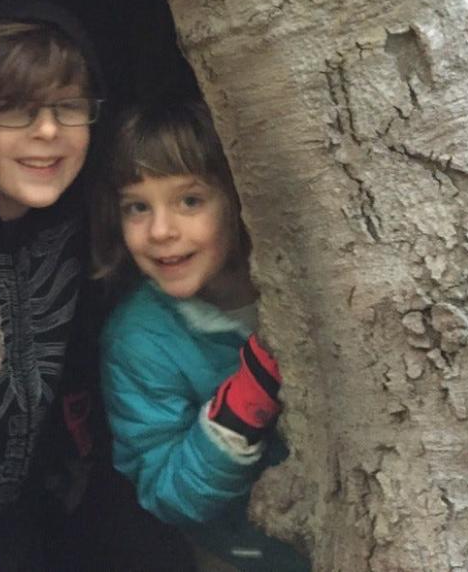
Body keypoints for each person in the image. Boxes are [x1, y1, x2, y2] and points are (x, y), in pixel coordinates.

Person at [92, 101, 310, 572]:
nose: (161, 231)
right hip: (240, 555)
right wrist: (238, 414)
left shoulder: (307, 287)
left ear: (236, 198)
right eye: (137, 207)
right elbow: (166, 492)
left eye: (189, 201)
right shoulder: (140, 340)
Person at [0, 0, 107, 570]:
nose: (47, 131)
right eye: (14, 108)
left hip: (33, 530)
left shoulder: (91, 221)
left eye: (68, 106)